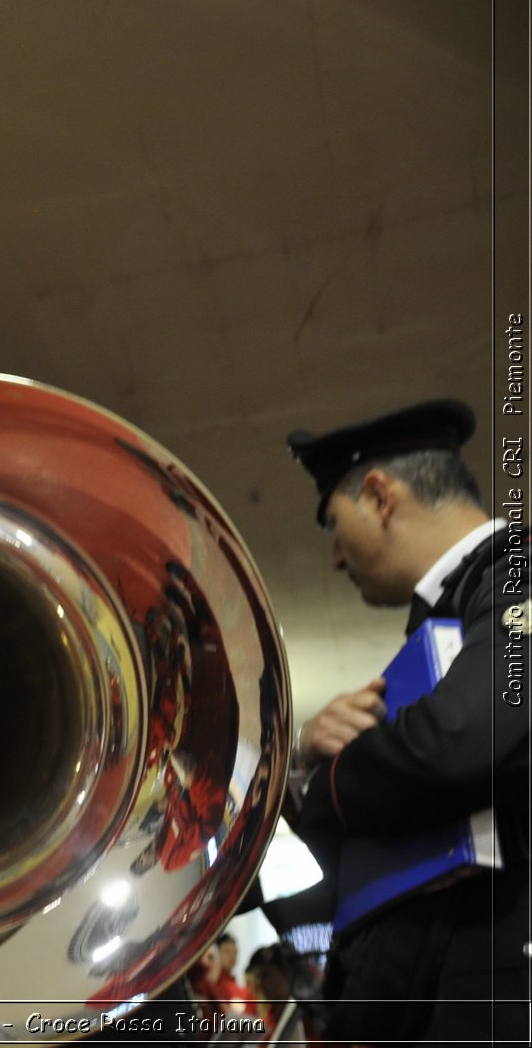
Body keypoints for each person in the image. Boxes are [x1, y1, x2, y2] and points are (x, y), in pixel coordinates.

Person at [286, 398, 531, 1044]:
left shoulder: (520, 574)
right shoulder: (459, 606)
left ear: (379, 494)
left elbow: (457, 740)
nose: (336, 557)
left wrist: (326, 779)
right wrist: (306, 750)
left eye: (334, 524)